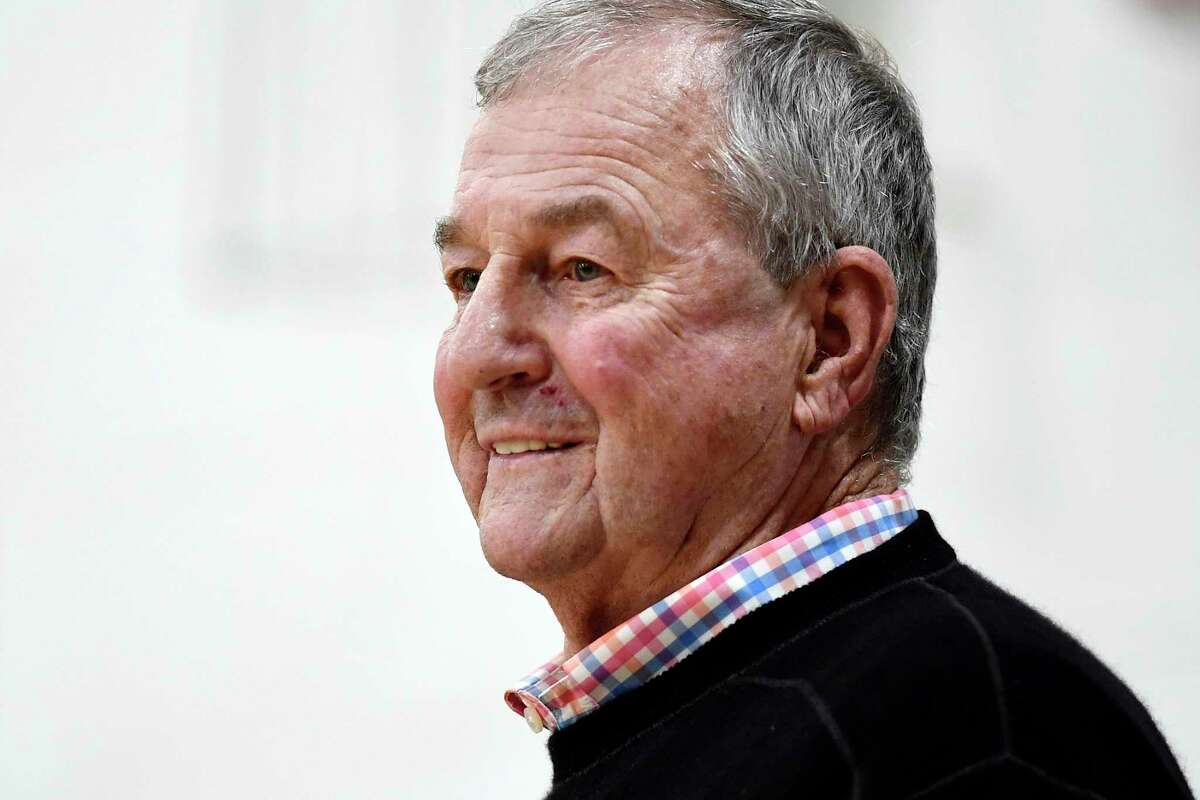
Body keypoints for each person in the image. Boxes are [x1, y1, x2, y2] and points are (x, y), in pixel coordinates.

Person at [432, 1, 1194, 797]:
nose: (478, 351)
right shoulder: (746, 716)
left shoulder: (965, 737)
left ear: (830, 340)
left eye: (583, 268)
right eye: (466, 279)